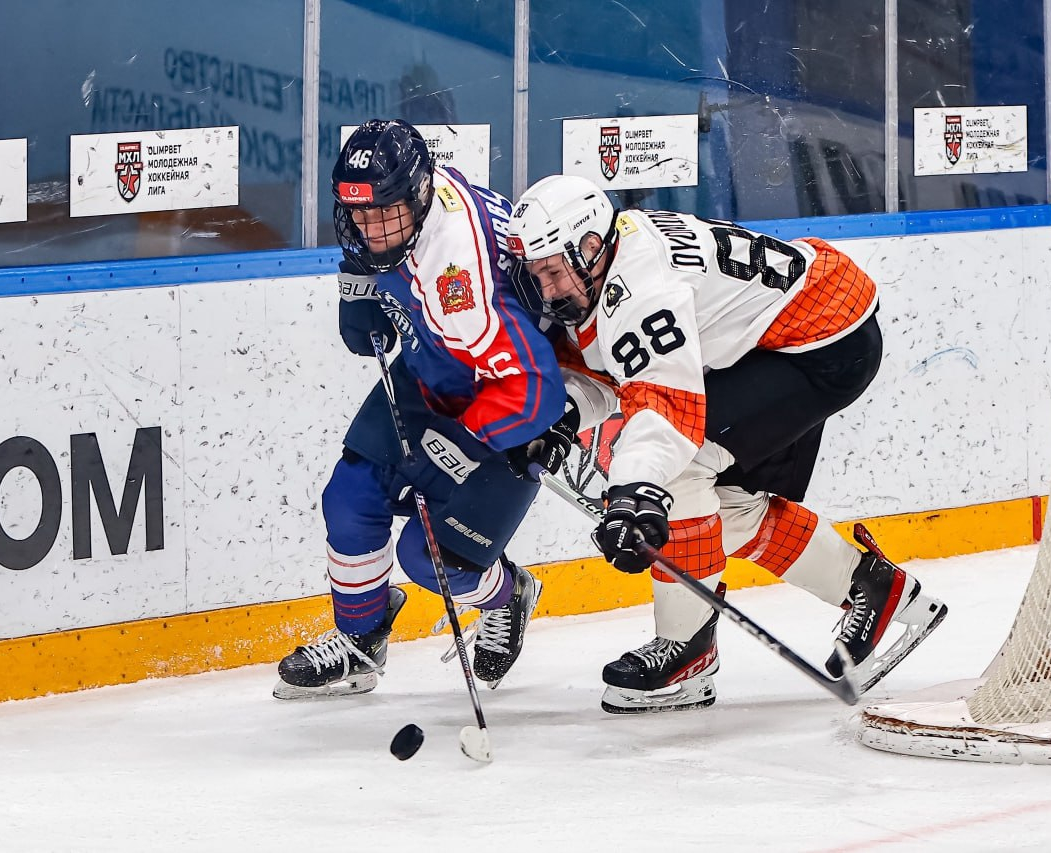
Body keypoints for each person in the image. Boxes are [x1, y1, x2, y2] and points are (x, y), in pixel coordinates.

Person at [505, 175, 948, 713]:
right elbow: (610, 368)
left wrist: (632, 490)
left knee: (679, 474)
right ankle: (873, 588)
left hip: (823, 341)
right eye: (536, 274)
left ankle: (686, 650)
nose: (548, 291)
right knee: (720, 507)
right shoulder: (613, 258)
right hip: (787, 329)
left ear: (591, 246)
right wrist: (560, 417)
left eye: (554, 272)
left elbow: (665, 406)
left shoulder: (644, 289)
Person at [273, 120, 577, 699]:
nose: (371, 228)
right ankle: (360, 642)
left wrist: (464, 442)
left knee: (433, 556)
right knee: (350, 499)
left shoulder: (460, 277)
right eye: (359, 213)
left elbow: (537, 387)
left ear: (416, 196)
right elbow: (384, 260)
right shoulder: (404, 211)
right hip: (434, 367)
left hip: (507, 408)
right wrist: (363, 286)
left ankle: (507, 595)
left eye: (384, 213)